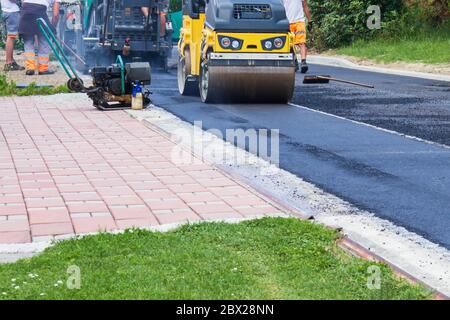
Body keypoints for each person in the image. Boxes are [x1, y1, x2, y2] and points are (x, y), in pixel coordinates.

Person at [18, 0, 60, 75]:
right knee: (44, 40)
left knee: (28, 41)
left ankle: (30, 68)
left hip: (26, 10)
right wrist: (53, 28)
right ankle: (43, 69)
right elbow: (56, 14)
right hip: (40, 11)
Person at [281, 0, 312, 73]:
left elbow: (305, 6)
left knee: (302, 42)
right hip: (287, 22)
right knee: (290, 44)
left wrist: (310, 21)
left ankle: (303, 62)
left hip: (299, 21)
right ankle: (294, 60)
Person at [1, 0, 25, 71]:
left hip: (6, 10)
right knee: (11, 37)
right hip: (12, 11)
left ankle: (11, 61)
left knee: (11, 37)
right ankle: (9, 62)